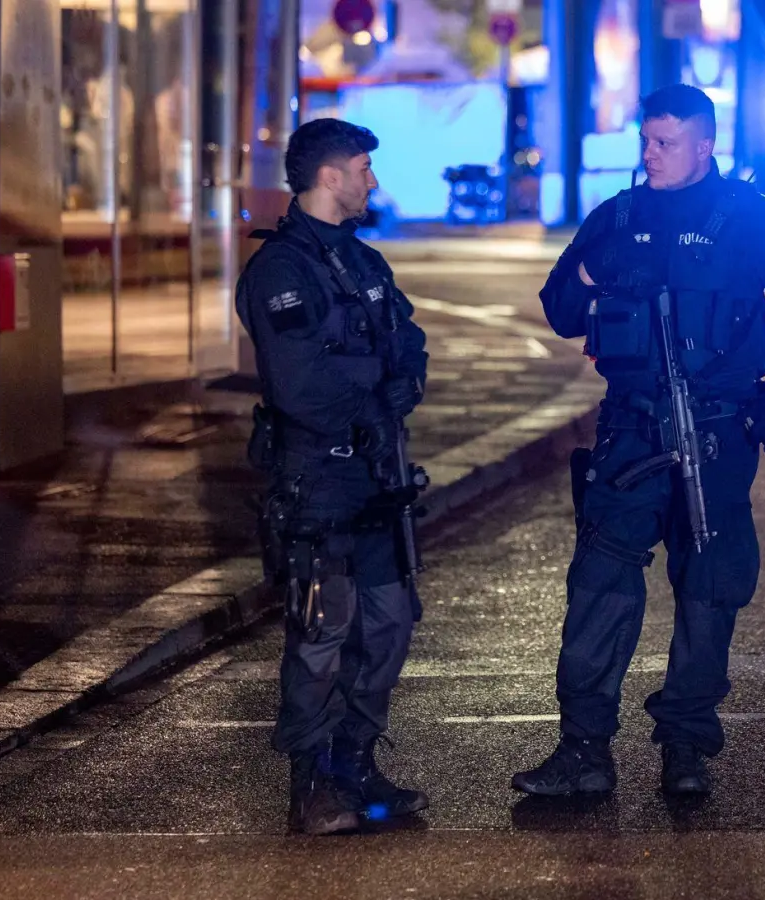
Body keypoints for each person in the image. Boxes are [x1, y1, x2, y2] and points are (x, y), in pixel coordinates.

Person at [513, 84, 765, 797]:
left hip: (719, 429)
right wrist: (589, 268)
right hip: (631, 429)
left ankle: (686, 746)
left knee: (709, 587)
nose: (650, 154)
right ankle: (583, 751)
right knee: (600, 585)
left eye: (666, 142)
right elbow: (560, 311)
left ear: (706, 145)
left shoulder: (755, 220)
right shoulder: (619, 216)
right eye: (646, 140)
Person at [235, 118, 430, 836]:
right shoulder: (281, 272)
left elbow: (408, 339)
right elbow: (301, 387)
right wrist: (378, 396)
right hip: (319, 478)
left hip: (379, 477)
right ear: (329, 176)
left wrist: (401, 380)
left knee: (390, 625)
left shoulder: (363, 262)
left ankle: (355, 761)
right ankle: (311, 783)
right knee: (322, 633)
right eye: (363, 168)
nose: (372, 181)